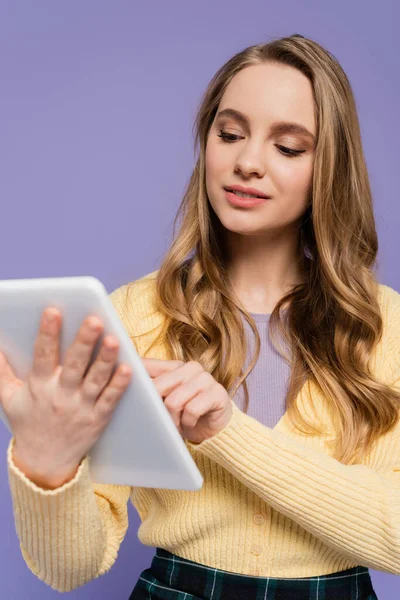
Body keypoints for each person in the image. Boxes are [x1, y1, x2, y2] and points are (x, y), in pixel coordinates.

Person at [1, 33, 399, 599]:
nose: (247, 162)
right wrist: (47, 468)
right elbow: (69, 569)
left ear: (330, 169)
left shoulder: (387, 329)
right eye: (229, 134)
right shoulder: (138, 316)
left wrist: (224, 431)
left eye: (287, 147)